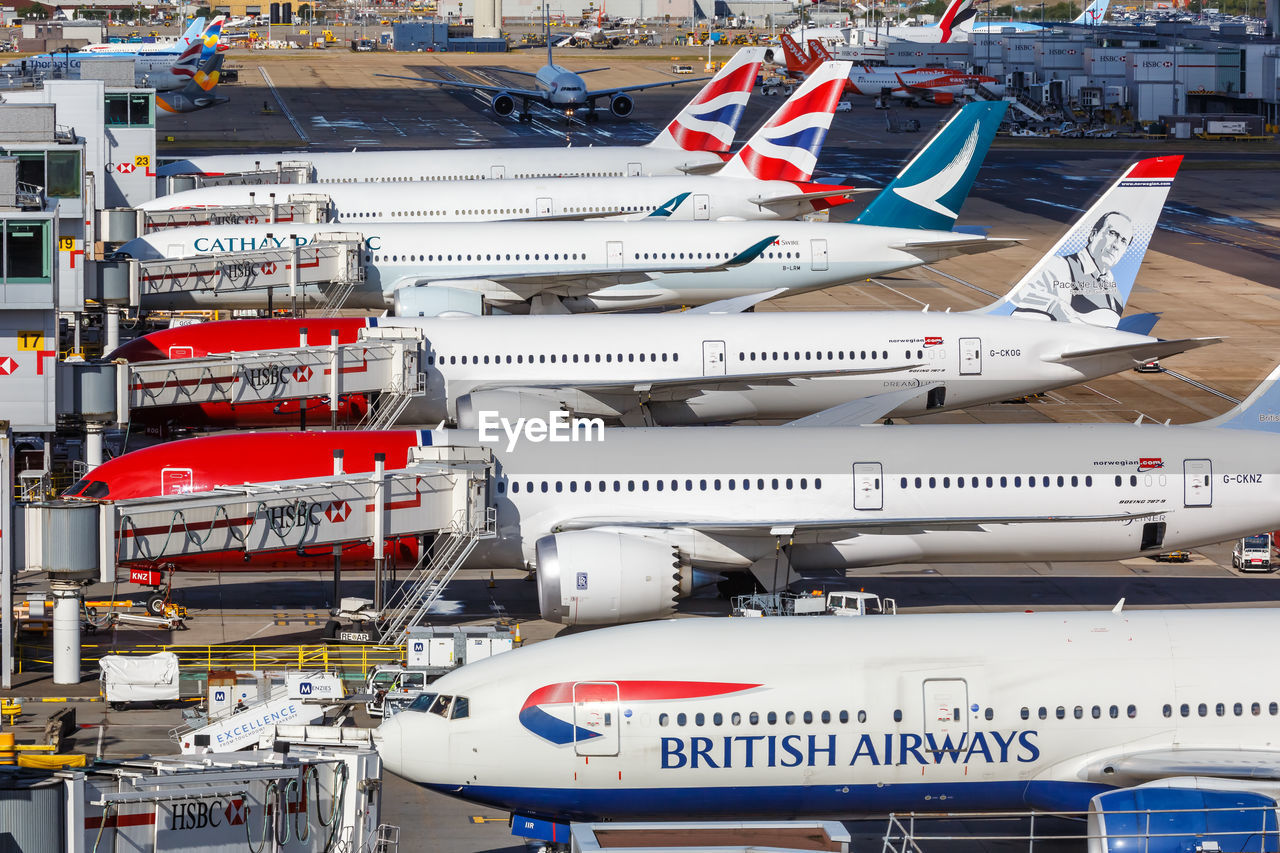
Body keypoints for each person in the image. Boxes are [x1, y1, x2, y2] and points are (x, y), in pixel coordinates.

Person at [1012, 210, 1133, 327]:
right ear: (1093, 234)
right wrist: (1054, 306)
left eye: (1123, 241)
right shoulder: (1060, 266)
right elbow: (1019, 296)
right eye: (1112, 233)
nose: (1116, 245)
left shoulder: (1115, 294)